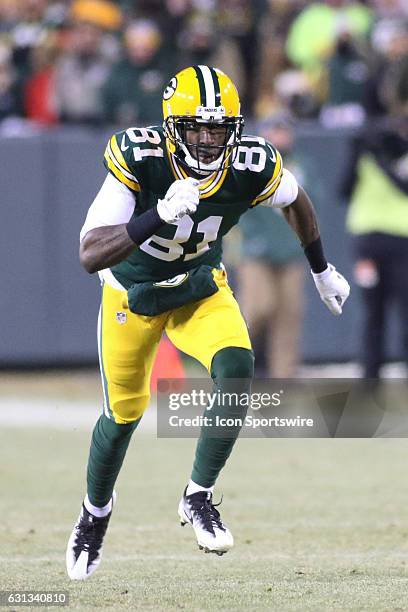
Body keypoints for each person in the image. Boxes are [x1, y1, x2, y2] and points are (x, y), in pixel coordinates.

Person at [66, 65, 350, 580]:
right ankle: (95, 514)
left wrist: (321, 268)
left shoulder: (251, 162)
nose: (206, 139)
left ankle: (198, 495)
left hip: (199, 285)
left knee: (238, 364)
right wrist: (155, 215)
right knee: (122, 417)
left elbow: (296, 201)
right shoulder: (141, 156)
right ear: (173, 126)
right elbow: (90, 253)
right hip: (133, 292)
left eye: (217, 129)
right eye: (195, 127)